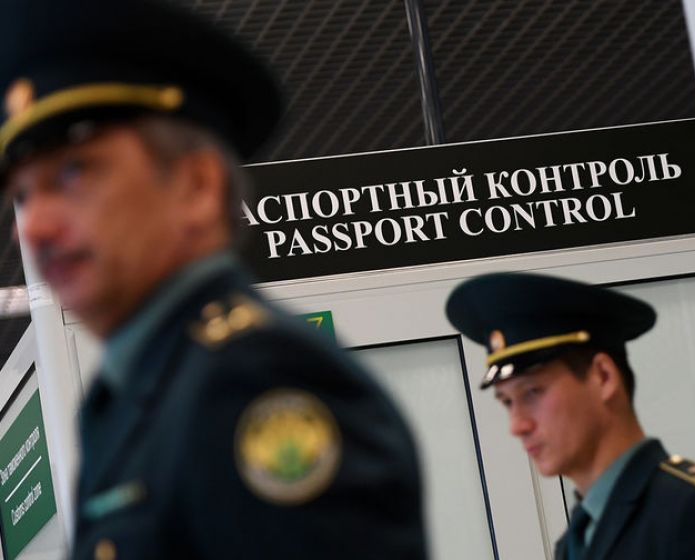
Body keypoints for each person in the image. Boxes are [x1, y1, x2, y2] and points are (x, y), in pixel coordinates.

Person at [0, 1, 427, 558]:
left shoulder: (253, 378)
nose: (32, 226)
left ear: (196, 187)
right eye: (21, 193)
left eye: (74, 171)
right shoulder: (128, 396)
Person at [446, 272, 695, 560]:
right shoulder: (575, 541)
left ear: (603, 377)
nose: (517, 425)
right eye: (507, 402)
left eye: (533, 392)